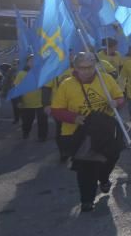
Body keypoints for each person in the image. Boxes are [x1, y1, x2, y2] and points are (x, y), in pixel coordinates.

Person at [51, 53, 126, 212]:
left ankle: (104, 178)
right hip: (80, 133)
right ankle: (87, 200)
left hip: (105, 130)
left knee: (112, 156)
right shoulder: (66, 85)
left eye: (90, 67)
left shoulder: (106, 80)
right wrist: (73, 117)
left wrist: (116, 102)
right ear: (75, 68)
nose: (86, 71)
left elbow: (120, 97)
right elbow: (56, 110)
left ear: (95, 66)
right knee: (86, 167)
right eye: (82, 68)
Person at [13, 55, 50, 141]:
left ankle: (42, 136)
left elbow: (48, 87)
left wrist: (48, 102)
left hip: (41, 103)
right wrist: (19, 101)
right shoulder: (21, 74)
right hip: (26, 103)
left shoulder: (43, 72)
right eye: (31, 61)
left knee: (43, 121)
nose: (33, 62)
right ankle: (26, 132)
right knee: (27, 121)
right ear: (27, 63)